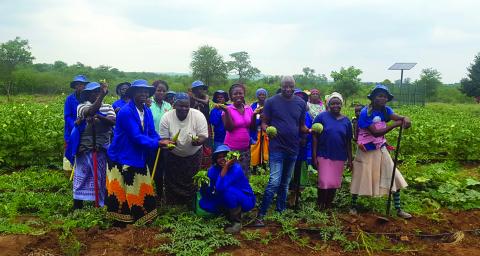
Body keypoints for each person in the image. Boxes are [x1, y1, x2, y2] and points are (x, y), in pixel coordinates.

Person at [106, 79, 170, 226]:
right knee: (122, 190)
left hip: (138, 155)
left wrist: (162, 141)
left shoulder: (146, 110)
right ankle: (121, 222)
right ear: (133, 93)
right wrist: (158, 143)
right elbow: (136, 137)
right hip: (122, 156)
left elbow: (151, 132)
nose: (143, 94)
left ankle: (141, 219)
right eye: (140, 91)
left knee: (139, 187)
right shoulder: (126, 112)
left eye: (146, 92)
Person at [350, 84, 412, 219]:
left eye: (385, 96)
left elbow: (399, 117)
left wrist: (405, 119)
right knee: (360, 176)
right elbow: (376, 132)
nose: (382, 99)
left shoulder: (386, 110)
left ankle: (398, 209)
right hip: (366, 149)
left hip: (380, 147)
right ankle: (353, 206)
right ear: (373, 98)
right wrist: (395, 124)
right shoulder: (366, 112)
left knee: (392, 174)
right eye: (379, 96)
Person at [255, 76, 310, 227]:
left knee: (285, 183)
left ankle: (281, 211)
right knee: (274, 182)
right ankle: (261, 214)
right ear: (281, 86)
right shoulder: (271, 102)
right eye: (285, 86)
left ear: (294, 86)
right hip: (277, 148)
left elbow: (301, 126)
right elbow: (264, 122)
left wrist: (311, 131)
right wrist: (267, 129)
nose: (287, 89)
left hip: (293, 148)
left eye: (290, 86)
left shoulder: (301, 103)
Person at [160, 93, 209, 207]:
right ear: (174, 105)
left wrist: (198, 141)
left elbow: (203, 136)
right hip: (173, 154)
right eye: (180, 106)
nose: (184, 109)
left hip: (194, 154)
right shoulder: (166, 117)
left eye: (186, 106)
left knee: (191, 179)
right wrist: (169, 144)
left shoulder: (198, 115)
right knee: (172, 179)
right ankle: (173, 204)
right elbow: (164, 139)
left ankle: (190, 203)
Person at [72, 82, 115, 209]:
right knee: (82, 177)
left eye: (98, 92)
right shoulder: (81, 106)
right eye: (93, 92)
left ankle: (100, 206)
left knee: (101, 178)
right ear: (87, 94)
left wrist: (99, 117)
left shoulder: (108, 106)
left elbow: (112, 121)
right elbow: (90, 111)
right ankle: (77, 207)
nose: (96, 94)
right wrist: (101, 97)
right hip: (85, 149)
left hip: (102, 148)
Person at [199, 145, 256, 233]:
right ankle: (227, 212)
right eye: (219, 157)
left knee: (227, 191)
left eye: (224, 156)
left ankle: (236, 221)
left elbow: (220, 187)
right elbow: (210, 191)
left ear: (231, 157)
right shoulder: (213, 170)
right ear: (215, 160)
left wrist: (226, 166)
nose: (222, 159)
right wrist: (203, 185)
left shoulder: (236, 169)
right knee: (204, 204)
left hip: (244, 199)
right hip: (225, 197)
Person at [312, 92, 353, 210]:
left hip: (339, 156)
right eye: (333, 103)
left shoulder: (346, 121)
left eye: (338, 103)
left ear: (342, 104)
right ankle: (320, 204)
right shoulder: (321, 117)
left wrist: (350, 159)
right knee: (323, 181)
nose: (336, 106)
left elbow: (348, 141)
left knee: (334, 183)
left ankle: (329, 204)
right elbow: (314, 136)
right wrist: (314, 155)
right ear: (328, 104)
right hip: (323, 154)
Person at [218, 83, 259, 177]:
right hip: (232, 149)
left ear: (244, 94)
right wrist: (227, 112)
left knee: (244, 174)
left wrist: (255, 115)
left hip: (246, 148)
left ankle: (243, 191)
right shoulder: (227, 109)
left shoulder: (248, 109)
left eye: (240, 93)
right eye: (235, 94)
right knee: (232, 174)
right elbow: (229, 128)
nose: (238, 96)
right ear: (231, 97)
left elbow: (252, 127)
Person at [149, 80, 172, 201]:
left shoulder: (168, 106)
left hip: (165, 142)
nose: (161, 93)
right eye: (158, 90)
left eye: (163, 90)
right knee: (153, 167)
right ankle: (150, 192)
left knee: (164, 167)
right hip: (152, 142)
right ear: (153, 91)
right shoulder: (148, 104)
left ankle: (161, 193)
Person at [64, 75, 89, 169]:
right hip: (72, 129)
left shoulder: (88, 98)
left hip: (87, 129)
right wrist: (75, 124)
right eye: (77, 85)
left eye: (82, 85)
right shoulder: (69, 99)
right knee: (72, 149)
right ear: (74, 86)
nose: (80, 87)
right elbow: (67, 116)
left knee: (84, 151)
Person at [250, 88, 269, 171]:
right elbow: (251, 118)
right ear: (257, 96)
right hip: (256, 130)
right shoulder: (253, 106)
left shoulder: (269, 105)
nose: (261, 96)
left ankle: (264, 166)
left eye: (263, 94)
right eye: (260, 94)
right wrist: (259, 119)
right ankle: (254, 166)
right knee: (255, 148)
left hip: (266, 131)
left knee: (265, 148)